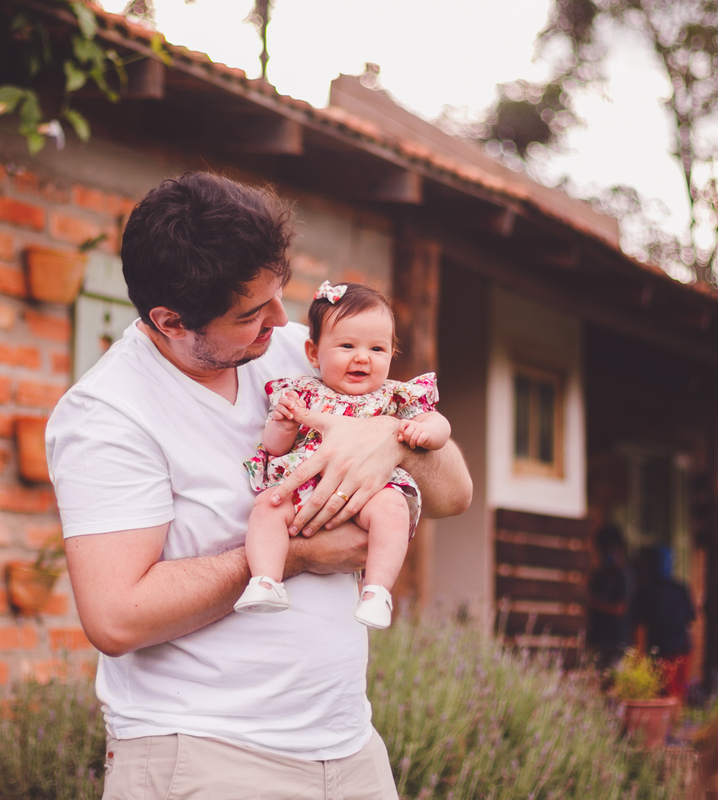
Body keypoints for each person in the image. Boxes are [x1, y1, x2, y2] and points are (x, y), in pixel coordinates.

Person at [46, 172, 472, 800]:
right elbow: (116, 618)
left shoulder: (302, 351)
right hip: (207, 754)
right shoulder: (108, 416)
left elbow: (454, 495)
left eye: (277, 295)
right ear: (171, 321)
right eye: (250, 314)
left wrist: (391, 439)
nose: (281, 319)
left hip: (350, 746)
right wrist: (296, 554)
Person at [235, 281, 450, 628]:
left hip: (369, 493)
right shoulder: (301, 392)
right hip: (304, 489)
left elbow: (437, 422)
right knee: (268, 506)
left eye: (377, 348)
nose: (362, 357)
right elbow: (274, 448)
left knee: (392, 510)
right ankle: (265, 580)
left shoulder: (394, 396)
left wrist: (427, 432)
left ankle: (376, 591)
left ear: (391, 354)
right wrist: (284, 424)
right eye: (347, 345)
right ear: (313, 353)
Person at [633, 545, 695, 703]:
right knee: (676, 695)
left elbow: (640, 628)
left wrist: (639, 657)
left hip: (663, 652)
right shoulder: (679, 589)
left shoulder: (647, 590)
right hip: (678, 650)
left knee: (662, 696)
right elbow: (690, 621)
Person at [585, 524, 630, 670]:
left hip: (616, 643)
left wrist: (593, 603)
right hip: (597, 640)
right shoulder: (597, 575)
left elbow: (619, 609)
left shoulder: (623, 575)